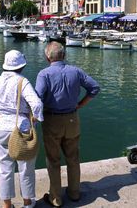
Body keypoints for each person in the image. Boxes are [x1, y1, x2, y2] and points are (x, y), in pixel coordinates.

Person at [0, 50, 43, 208]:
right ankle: (27, 203)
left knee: (5, 168)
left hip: (1, 128)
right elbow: (37, 104)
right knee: (25, 168)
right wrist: (35, 120)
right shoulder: (22, 82)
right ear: (21, 66)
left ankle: (7, 205)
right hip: (21, 128)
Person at [35, 42, 100, 207]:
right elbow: (94, 88)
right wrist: (80, 104)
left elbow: (37, 100)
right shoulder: (76, 71)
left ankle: (56, 198)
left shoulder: (44, 74)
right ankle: (74, 193)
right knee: (73, 158)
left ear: (47, 57)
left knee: (53, 159)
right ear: (64, 55)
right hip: (72, 119)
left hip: (52, 121)